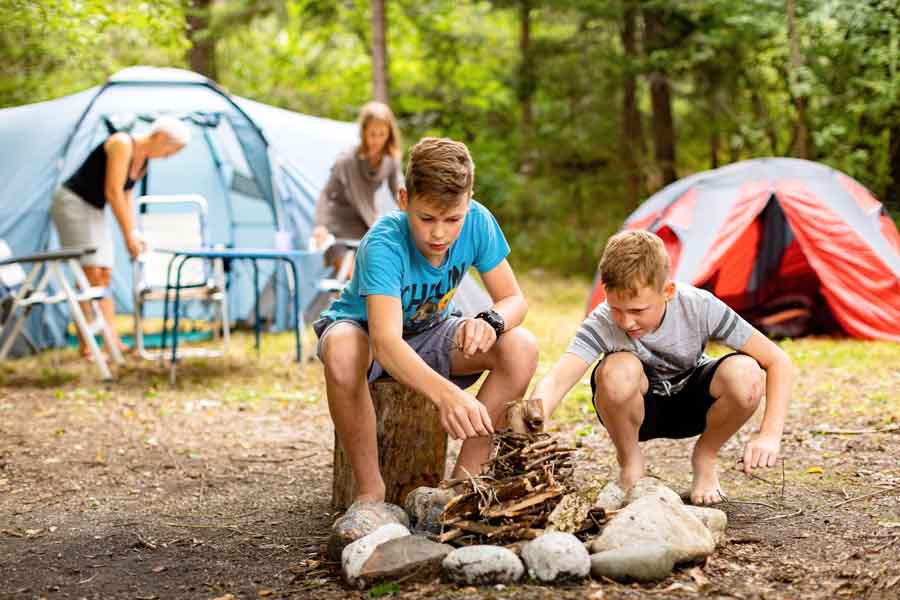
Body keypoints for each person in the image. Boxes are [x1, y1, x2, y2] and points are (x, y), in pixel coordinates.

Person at [314, 137, 538, 503]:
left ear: (468, 202)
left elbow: (514, 299)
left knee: (521, 347)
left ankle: (465, 483)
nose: (439, 233)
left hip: (431, 331)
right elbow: (386, 343)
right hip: (367, 335)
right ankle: (371, 492)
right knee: (342, 352)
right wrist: (447, 395)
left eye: (453, 220)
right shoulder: (384, 243)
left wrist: (491, 321)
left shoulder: (478, 222)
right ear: (404, 201)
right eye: (427, 218)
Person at [528, 230, 794, 505]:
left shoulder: (700, 306)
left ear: (668, 291)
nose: (626, 322)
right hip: (638, 411)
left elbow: (777, 361)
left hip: (693, 406)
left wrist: (769, 436)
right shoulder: (602, 322)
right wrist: (535, 414)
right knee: (617, 369)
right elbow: (558, 379)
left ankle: (706, 455)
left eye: (638, 311)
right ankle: (630, 463)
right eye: (617, 308)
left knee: (746, 373)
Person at [50, 116, 191, 358]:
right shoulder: (121, 143)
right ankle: (91, 345)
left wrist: (135, 233)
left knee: (104, 272)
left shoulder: (144, 161)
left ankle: (110, 340)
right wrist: (127, 236)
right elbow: (113, 191)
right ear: (159, 137)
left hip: (95, 208)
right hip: (73, 204)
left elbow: (126, 196)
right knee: (89, 273)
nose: (169, 156)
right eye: (170, 150)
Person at [313, 101, 403, 276]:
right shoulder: (346, 160)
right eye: (372, 134)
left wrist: (414, 214)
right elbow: (326, 195)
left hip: (365, 221)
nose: (376, 140)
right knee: (350, 276)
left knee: (374, 273)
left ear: (389, 134)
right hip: (338, 221)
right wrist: (320, 226)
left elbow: (399, 191)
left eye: (381, 134)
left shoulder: (391, 160)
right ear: (363, 133)